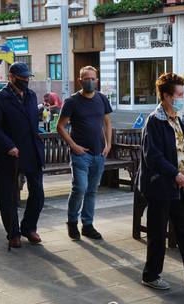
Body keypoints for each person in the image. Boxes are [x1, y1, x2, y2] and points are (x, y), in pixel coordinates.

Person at [137, 72, 184, 290]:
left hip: (179, 185)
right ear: (165, 95)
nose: (181, 98)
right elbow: (153, 156)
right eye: (178, 94)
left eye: (182, 93)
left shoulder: (178, 119)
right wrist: (175, 174)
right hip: (161, 186)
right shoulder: (154, 121)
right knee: (158, 233)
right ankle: (151, 275)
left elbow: (178, 146)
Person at [0, 62, 45, 248]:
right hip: (10, 154)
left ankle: (29, 227)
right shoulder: (0, 98)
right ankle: (13, 233)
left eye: (28, 78)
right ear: (11, 77)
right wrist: (9, 145)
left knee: (37, 192)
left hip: (32, 151)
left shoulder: (31, 95)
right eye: (22, 78)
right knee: (9, 195)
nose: (26, 81)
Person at [57, 66, 112, 240]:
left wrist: (108, 144)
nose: (90, 81)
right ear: (80, 80)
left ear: (97, 80)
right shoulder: (72, 101)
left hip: (99, 154)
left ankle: (87, 225)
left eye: (93, 78)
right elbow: (60, 126)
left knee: (92, 191)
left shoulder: (102, 99)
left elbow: (107, 123)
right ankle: (72, 222)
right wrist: (73, 146)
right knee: (80, 188)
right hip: (80, 154)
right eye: (86, 78)